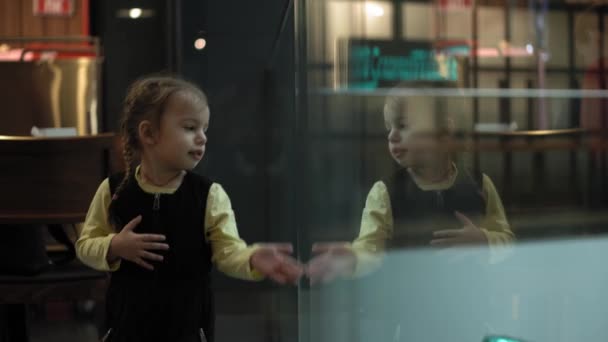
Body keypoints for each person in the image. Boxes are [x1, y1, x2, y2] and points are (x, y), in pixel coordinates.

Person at [76, 76, 303, 342]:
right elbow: (85, 246)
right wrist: (114, 245)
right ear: (149, 133)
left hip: (188, 330)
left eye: (205, 129)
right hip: (126, 329)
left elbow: (228, 253)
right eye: (190, 127)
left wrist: (252, 258)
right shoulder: (113, 190)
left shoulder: (210, 195)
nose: (202, 138)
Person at [307, 88, 514, 284]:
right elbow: (370, 248)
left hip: (473, 309)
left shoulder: (479, 183)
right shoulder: (384, 192)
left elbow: (507, 241)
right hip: (411, 308)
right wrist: (353, 257)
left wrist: (484, 241)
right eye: (389, 128)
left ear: (443, 131)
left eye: (403, 125)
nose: (392, 136)